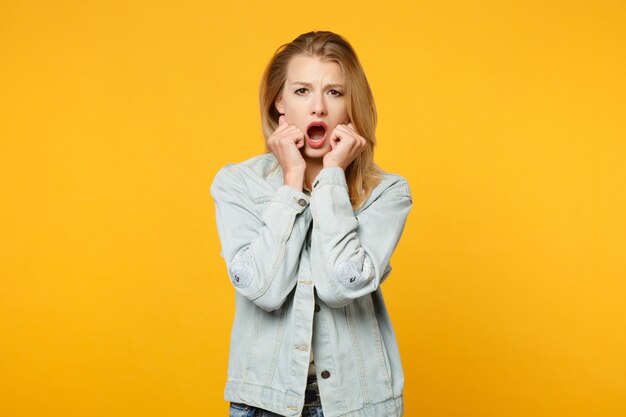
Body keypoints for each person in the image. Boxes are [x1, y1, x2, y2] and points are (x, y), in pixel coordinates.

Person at [210, 31, 412, 417]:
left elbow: (339, 286)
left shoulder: (387, 193)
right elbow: (264, 290)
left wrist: (332, 175)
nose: (318, 108)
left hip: (356, 405)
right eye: (302, 91)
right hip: (263, 404)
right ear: (279, 105)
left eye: (334, 92)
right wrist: (291, 183)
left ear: (351, 107)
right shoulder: (238, 183)